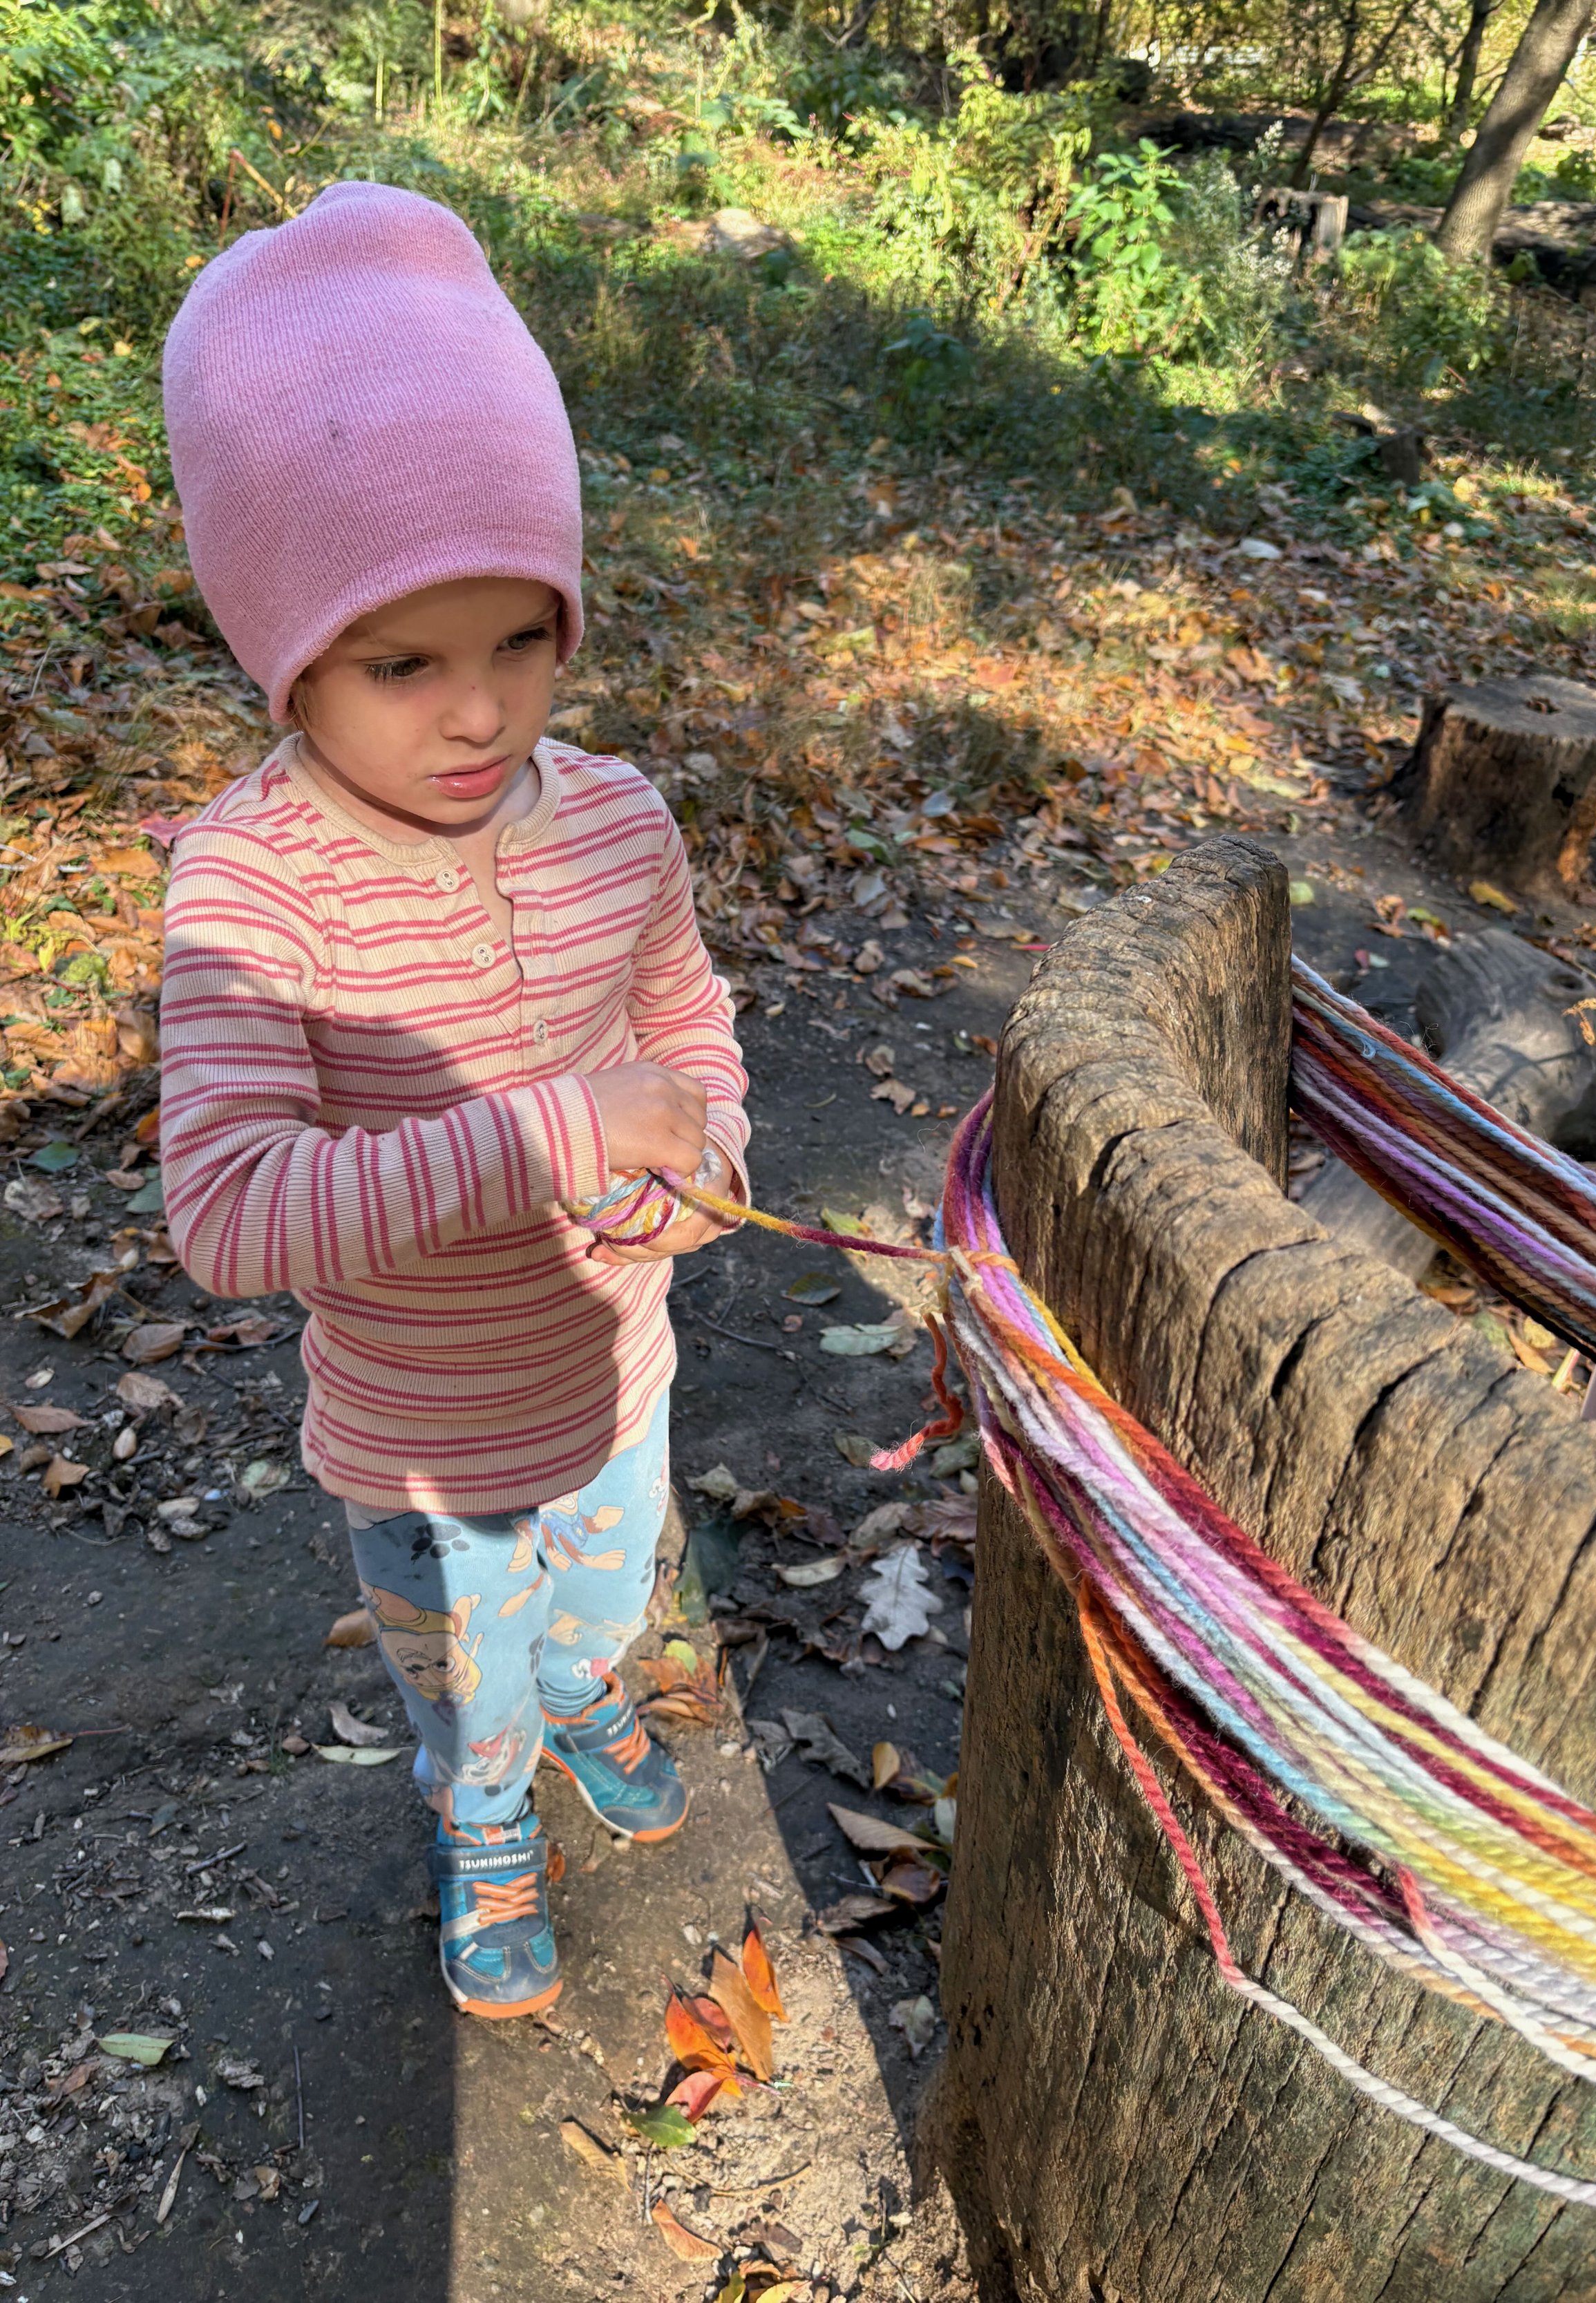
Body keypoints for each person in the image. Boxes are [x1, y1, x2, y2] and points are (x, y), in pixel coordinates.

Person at [157, 180, 749, 2020]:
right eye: (403, 663)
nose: (480, 713)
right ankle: (482, 1814)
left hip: (616, 1368)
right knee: (463, 1677)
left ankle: (584, 1693)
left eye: (522, 642)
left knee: (602, 1603)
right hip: (426, 1438)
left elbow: (686, 1023)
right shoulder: (255, 889)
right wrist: (558, 1132)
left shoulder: (620, 823)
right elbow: (230, 1211)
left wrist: (705, 1152)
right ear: (285, 654)